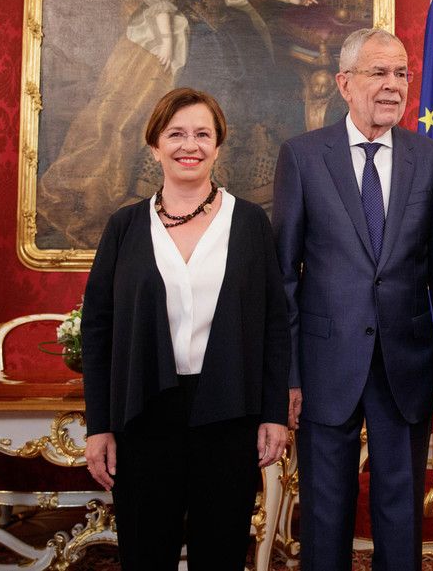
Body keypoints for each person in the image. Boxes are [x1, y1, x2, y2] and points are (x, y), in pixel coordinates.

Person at [81, 87, 291, 569]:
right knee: (145, 554)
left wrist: (274, 414)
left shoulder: (250, 223)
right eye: (175, 134)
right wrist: (99, 426)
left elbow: (275, 327)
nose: (189, 145)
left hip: (229, 414)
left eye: (202, 134)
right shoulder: (124, 226)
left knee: (220, 554)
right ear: (154, 146)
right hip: (143, 416)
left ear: (217, 146)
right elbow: (97, 330)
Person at [40, 0, 317, 249]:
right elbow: (162, 0)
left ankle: (237, 187)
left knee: (243, 98)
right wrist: (170, 45)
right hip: (193, 35)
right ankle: (180, 192)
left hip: (231, 34)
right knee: (191, 100)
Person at [272, 28, 433, 571]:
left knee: (401, 509)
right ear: (344, 83)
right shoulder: (303, 157)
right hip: (325, 363)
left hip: (408, 364)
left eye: (401, 73)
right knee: (325, 510)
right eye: (379, 72)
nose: (393, 85)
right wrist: (288, 374)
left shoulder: (431, 159)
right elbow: (284, 277)